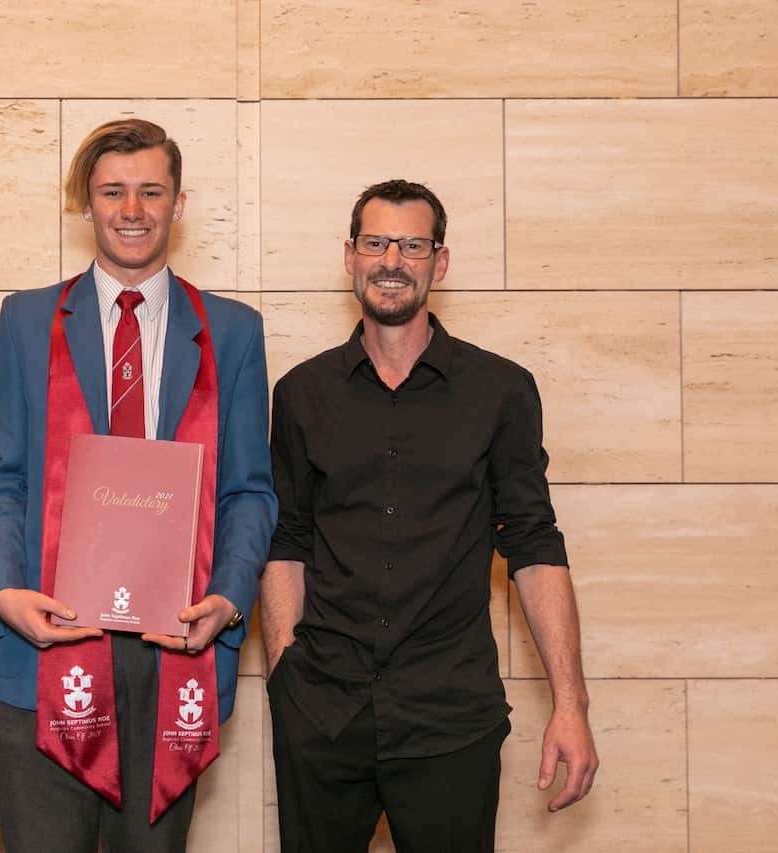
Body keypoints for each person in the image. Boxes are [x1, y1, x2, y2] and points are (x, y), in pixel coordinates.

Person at [261, 179, 600, 852]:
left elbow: (534, 545)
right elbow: (287, 540)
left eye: (412, 244)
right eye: (377, 242)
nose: (393, 259)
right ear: (350, 256)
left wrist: (571, 703)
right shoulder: (301, 393)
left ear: (438, 262)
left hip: (451, 716)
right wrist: (283, 676)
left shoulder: (501, 391)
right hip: (322, 710)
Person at [0, 118, 276, 852]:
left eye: (151, 191)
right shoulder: (25, 321)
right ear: (87, 203)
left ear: (179, 202)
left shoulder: (233, 331)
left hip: (176, 646)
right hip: (44, 641)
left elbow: (249, 491)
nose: (132, 209)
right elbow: (6, 478)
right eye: (113, 191)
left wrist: (231, 598)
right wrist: (5, 590)